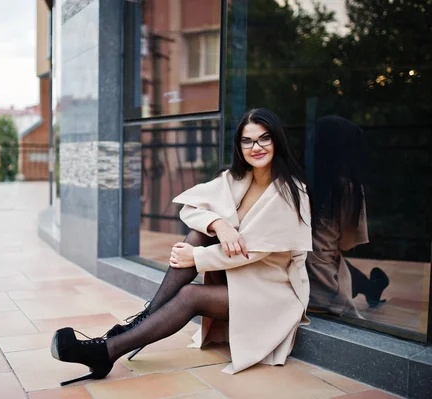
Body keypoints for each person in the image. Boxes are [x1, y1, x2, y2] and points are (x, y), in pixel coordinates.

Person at [50, 108, 313, 385]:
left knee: (190, 295)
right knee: (199, 233)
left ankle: (108, 349)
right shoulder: (235, 180)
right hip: (241, 279)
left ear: (277, 141)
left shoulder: (291, 193)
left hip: (271, 291)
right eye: (247, 141)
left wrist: (197, 258)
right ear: (239, 146)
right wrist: (218, 225)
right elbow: (189, 208)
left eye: (264, 139)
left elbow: (252, 252)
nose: (256, 147)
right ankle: (139, 325)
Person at [306, 116, 389, 318]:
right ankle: (372, 287)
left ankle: (372, 287)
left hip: (296, 275)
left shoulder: (296, 181)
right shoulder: (347, 187)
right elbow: (347, 241)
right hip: (322, 286)